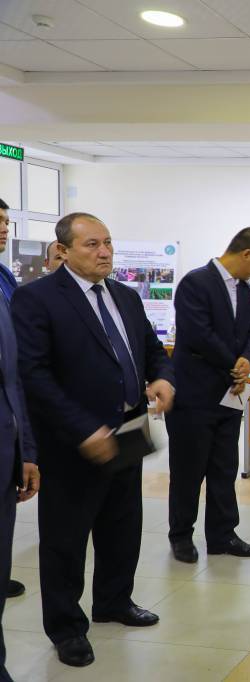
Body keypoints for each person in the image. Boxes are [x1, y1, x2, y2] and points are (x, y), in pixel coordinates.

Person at [12, 212, 175, 668]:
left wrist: (163, 377)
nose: (104, 252)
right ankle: (66, 627)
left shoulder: (125, 295)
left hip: (127, 430)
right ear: (63, 251)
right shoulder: (37, 299)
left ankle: (114, 600)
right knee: (66, 539)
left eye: (107, 243)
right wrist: (82, 428)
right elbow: (33, 375)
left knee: (122, 524)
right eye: (92, 245)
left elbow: (150, 350)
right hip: (72, 442)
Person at [166, 227, 250, 564]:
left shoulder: (245, 290)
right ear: (246, 254)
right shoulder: (196, 283)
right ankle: (181, 536)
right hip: (194, 396)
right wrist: (234, 365)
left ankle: (222, 535)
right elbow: (199, 334)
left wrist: (248, 360)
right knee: (188, 470)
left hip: (229, 395)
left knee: (224, 468)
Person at [0, 198, 41, 681]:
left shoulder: (4, 282)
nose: (4, 230)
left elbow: (14, 378)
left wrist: (26, 452)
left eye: (6, 221)